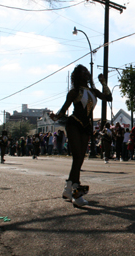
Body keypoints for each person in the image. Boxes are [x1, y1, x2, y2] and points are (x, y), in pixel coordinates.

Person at [50, 65, 112, 207]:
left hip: (86, 127)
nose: (86, 73)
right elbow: (64, 109)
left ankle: (68, 188)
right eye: (82, 72)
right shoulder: (74, 92)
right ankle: (76, 195)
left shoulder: (94, 91)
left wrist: (103, 83)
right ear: (77, 75)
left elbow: (109, 98)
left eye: (86, 71)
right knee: (77, 158)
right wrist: (55, 117)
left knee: (79, 159)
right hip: (74, 124)